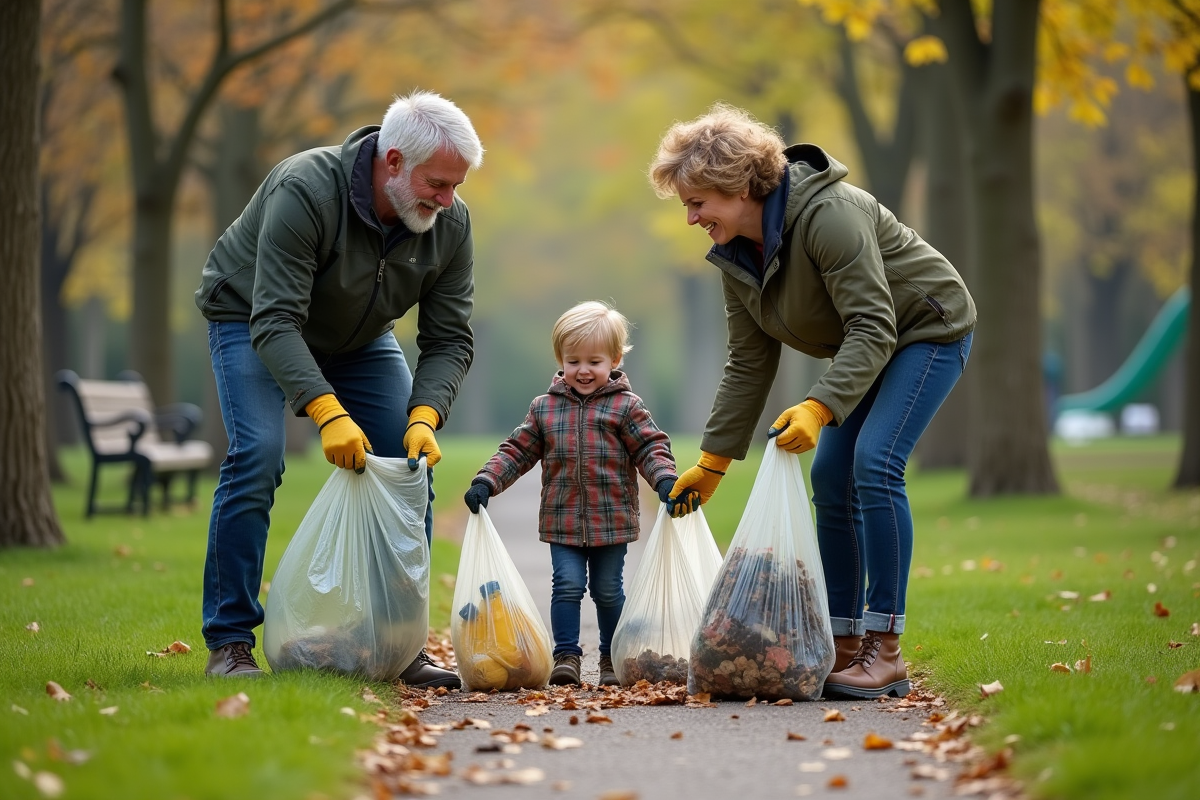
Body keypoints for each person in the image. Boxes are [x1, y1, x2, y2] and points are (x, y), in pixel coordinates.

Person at [651, 104, 976, 699]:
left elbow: (875, 326)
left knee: (874, 464)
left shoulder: (831, 216)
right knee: (831, 474)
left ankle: (887, 648)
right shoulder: (736, 254)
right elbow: (750, 362)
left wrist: (819, 406)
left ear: (741, 186)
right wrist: (715, 460)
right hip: (869, 346)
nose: (693, 217)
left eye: (699, 203)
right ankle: (844, 643)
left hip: (926, 330)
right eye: (687, 206)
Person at [195, 90, 484, 686]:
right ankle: (229, 642)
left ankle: (400, 644)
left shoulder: (448, 223)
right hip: (251, 317)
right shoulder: (305, 189)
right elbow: (275, 320)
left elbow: (450, 339)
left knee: (410, 467)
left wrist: (425, 416)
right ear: (395, 161)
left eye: (456, 186)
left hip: (360, 339)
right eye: (438, 183)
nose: (448, 200)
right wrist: (327, 412)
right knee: (256, 458)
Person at [462, 301, 699, 687]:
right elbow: (517, 450)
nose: (583, 370)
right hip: (562, 519)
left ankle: (611, 656)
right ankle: (567, 656)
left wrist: (665, 481)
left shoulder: (626, 407)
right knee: (567, 585)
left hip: (612, 519)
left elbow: (650, 448)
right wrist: (486, 481)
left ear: (615, 360)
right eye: (573, 361)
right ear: (560, 359)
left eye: (594, 361)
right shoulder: (544, 408)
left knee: (608, 590)